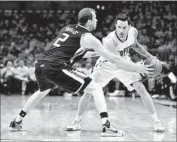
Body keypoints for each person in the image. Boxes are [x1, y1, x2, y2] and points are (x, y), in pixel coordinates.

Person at [9, 8, 153, 137]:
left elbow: (77, 53)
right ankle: (106, 126)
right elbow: (113, 58)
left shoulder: (68, 28)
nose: (97, 20)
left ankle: (17, 121)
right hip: (57, 67)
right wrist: (136, 68)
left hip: (41, 64)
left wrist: (96, 53)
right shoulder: (88, 37)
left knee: (43, 90)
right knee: (96, 87)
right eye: (95, 18)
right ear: (89, 21)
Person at [67, 13, 165, 133]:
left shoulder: (133, 32)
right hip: (107, 65)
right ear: (115, 26)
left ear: (129, 27)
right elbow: (118, 63)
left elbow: (135, 45)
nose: (121, 30)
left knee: (141, 88)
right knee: (89, 91)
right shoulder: (109, 40)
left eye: (124, 27)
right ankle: (77, 121)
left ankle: (156, 122)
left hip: (124, 61)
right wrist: (137, 68)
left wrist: (150, 56)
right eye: (118, 27)